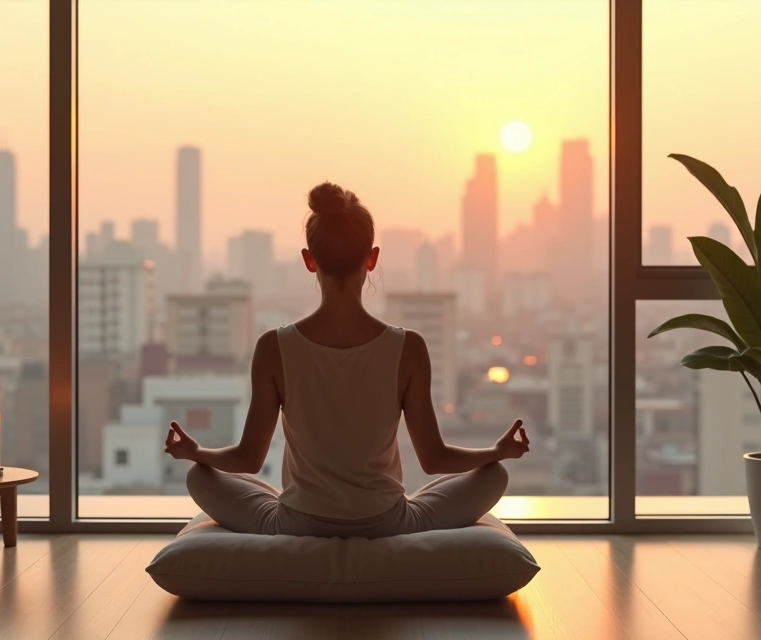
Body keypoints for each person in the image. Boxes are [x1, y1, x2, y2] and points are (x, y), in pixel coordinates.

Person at [163, 182, 530, 538]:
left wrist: (196, 451)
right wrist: (497, 451)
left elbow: (249, 459)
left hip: (298, 522)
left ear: (309, 261)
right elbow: (434, 460)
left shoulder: (274, 346)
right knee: (495, 474)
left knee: (198, 476)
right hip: (386, 522)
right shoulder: (409, 347)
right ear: (372, 258)